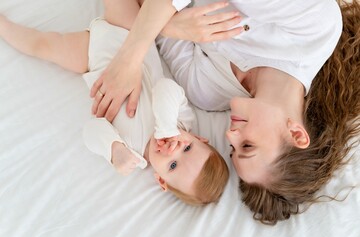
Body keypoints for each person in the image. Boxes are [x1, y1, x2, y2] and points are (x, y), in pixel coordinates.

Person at [92, 0, 360, 224]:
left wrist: (169, 26)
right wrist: (129, 58)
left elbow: (144, 20)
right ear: (296, 134)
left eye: (232, 149)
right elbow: (146, 27)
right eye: (247, 145)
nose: (230, 134)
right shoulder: (314, 30)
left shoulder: (205, 92)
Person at [0, 11, 229, 205]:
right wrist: (167, 126)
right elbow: (165, 89)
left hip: (91, 57)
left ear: (161, 180)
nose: (173, 149)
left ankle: (4, 26)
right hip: (131, 33)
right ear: (200, 138)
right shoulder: (182, 122)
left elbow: (92, 130)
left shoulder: (132, 155)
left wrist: (113, 150)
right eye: (187, 149)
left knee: (42, 45)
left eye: (172, 165)